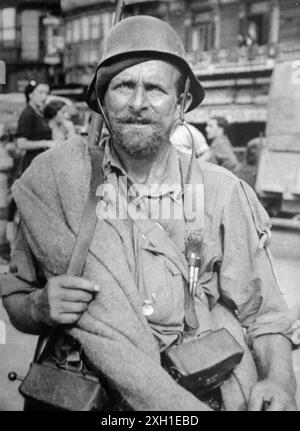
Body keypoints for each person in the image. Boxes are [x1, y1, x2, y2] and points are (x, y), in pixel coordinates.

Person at [1, 16, 298, 411]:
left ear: (182, 104)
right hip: (90, 396)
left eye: (155, 88)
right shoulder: (58, 181)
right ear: (102, 101)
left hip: (192, 398)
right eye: (124, 86)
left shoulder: (222, 193)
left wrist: (280, 380)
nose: (138, 103)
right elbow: (18, 298)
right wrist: (39, 308)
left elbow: (264, 316)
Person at [16, 80, 56, 172]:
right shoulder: (27, 114)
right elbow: (21, 143)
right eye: (40, 92)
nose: (44, 97)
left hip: (43, 164)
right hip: (32, 166)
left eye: (46, 93)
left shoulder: (40, 114)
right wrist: (46, 143)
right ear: (30, 95)